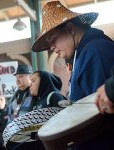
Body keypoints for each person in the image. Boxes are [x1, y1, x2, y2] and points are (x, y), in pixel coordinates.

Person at [32, 1, 114, 150]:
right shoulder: (84, 54)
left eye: (53, 39)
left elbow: (105, 118)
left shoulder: (95, 51)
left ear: (70, 29)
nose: (51, 47)